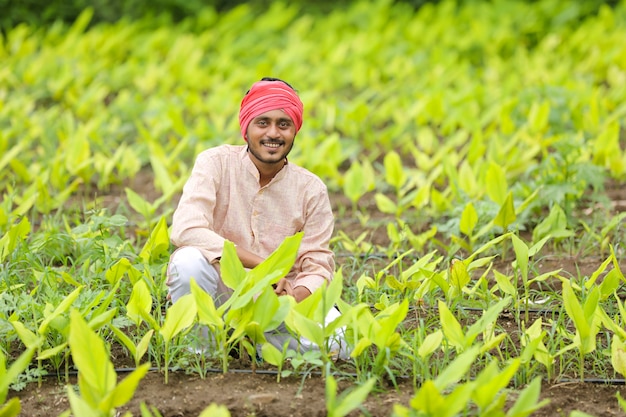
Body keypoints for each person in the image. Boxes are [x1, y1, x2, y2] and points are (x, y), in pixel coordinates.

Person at [166, 77, 347, 358]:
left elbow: (319, 266)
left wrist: (293, 297)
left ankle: (251, 344)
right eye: (262, 122)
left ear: (294, 130)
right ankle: (203, 351)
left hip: (277, 304)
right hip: (225, 292)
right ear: (246, 128)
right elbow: (187, 229)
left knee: (341, 343)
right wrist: (265, 270)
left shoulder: (311, 189)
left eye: (283, 124)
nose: (273, 133)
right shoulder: (215, 164)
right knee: (187, 260)